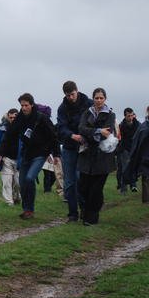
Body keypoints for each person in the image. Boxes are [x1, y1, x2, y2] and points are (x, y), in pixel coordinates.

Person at [0, 94, 59, 220]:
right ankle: (27, 210)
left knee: (30, 178)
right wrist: (0, 152)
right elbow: (9, 135)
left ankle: (29, 209)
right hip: (26, 153)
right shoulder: (20, 117)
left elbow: (53, 135)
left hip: (41, 154)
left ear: (32, 104)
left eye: (26, 105)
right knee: (22, 182)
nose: (24, 108)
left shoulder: (41, 118)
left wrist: (56, 153)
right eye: (22, 105)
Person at [77, 88, 117, 225]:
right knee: (83, 187)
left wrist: (90, 134)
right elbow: (81, 129)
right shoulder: (86, 113)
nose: (99, 100)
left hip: (102, 158)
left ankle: (91, 219)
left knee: (96, 189)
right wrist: (98, 130)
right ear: (93, 99)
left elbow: (108, 131)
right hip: (86, 155)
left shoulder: (110, 115)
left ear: (105, 99)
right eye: (96, 98)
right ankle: (86, 210)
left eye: (101, 98)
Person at [57, 81, 93, 222]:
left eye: (72, 94)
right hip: (69, 147)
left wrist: (86, 135)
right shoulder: (62, 108)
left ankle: (84, 208)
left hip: (85, 147)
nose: (71, 97)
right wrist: (72, 135)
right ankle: (72, 213)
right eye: (68, 95)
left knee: (81, 179)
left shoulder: (88, 103)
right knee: (69, 182)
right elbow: (61, 127)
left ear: (77, 91)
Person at [0, 109, 21, 206]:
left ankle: (17, 197)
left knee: (18, 182)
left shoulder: (23, 129)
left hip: (19, 159)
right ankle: (9, 201)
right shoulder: (2, 129)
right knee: (7, 181)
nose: (12, 119)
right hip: (6, 158)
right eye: (10, 117)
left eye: (14, 118)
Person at [116, 107, 140, 194]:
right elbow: (118, 138)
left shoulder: (138, 125)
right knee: (124, 168)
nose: (130, 117)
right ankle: (123, 189)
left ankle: (133, 185)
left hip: (134, 149)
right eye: (128, 116)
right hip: (124, 149)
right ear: (125, 116)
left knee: (132, 167)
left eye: (132, 115)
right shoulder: (121, 126)